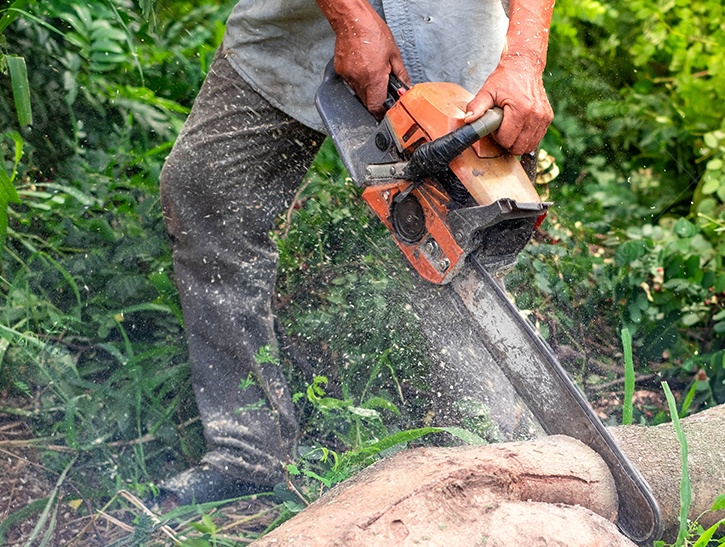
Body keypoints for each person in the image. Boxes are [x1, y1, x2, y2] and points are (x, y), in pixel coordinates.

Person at [158, 0, 554, 502]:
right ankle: (247, 452)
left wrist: (523, 59)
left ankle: (488, 460)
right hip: (298, 21)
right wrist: (349, 15)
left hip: (453, 24)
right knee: (208, 189)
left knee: (463, 243)